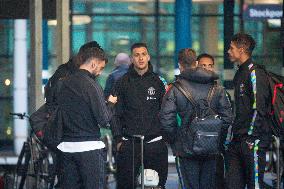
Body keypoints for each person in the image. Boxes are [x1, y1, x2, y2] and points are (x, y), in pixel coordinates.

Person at [160, 48, 233, 189]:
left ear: (180, 65)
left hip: (186, 149)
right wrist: (214, 136)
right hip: (212, 147)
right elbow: (227, 118)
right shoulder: (217, 88)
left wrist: (176, 139)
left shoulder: (176, 89)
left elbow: (166, 119)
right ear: (197, 63)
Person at [113, 42, 168, 189]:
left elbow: (167, 112)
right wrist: (118, 139)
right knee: (125, 185)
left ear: (148, 57)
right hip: (129, 143)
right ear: (132, 59)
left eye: (143, 54)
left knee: (157, 185)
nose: (141, 58)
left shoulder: (159, 82)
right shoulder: (122, 83)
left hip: (154, 142)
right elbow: (115, 114)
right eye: (137, 55)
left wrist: (166, 136)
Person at [56, 46, 112, 189]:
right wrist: (110, 104)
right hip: (89, 149)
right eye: (100, 67)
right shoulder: (92, 86)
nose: (100, 72)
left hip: (66, 148)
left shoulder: (63, 83)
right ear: (93, 63)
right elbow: (104, 119)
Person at [226, 33, 272, 189]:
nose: (228, 51)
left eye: (231, 48)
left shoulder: (255, 73)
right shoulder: (239, 72)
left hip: (253, 142)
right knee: (232, 184)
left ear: (242, 49)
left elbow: (259, 108)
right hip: (237, 140)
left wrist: (251, 137)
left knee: (254, 185)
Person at [197, 53, 232, 189]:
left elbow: (227, 118)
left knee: (215, 182)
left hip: (215, 148)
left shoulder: (220, 91)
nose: (206, 69)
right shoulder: (187, 90)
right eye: (203, 65)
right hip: (193, 148)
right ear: (196, 67)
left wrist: (215, 135)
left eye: (209, 66)